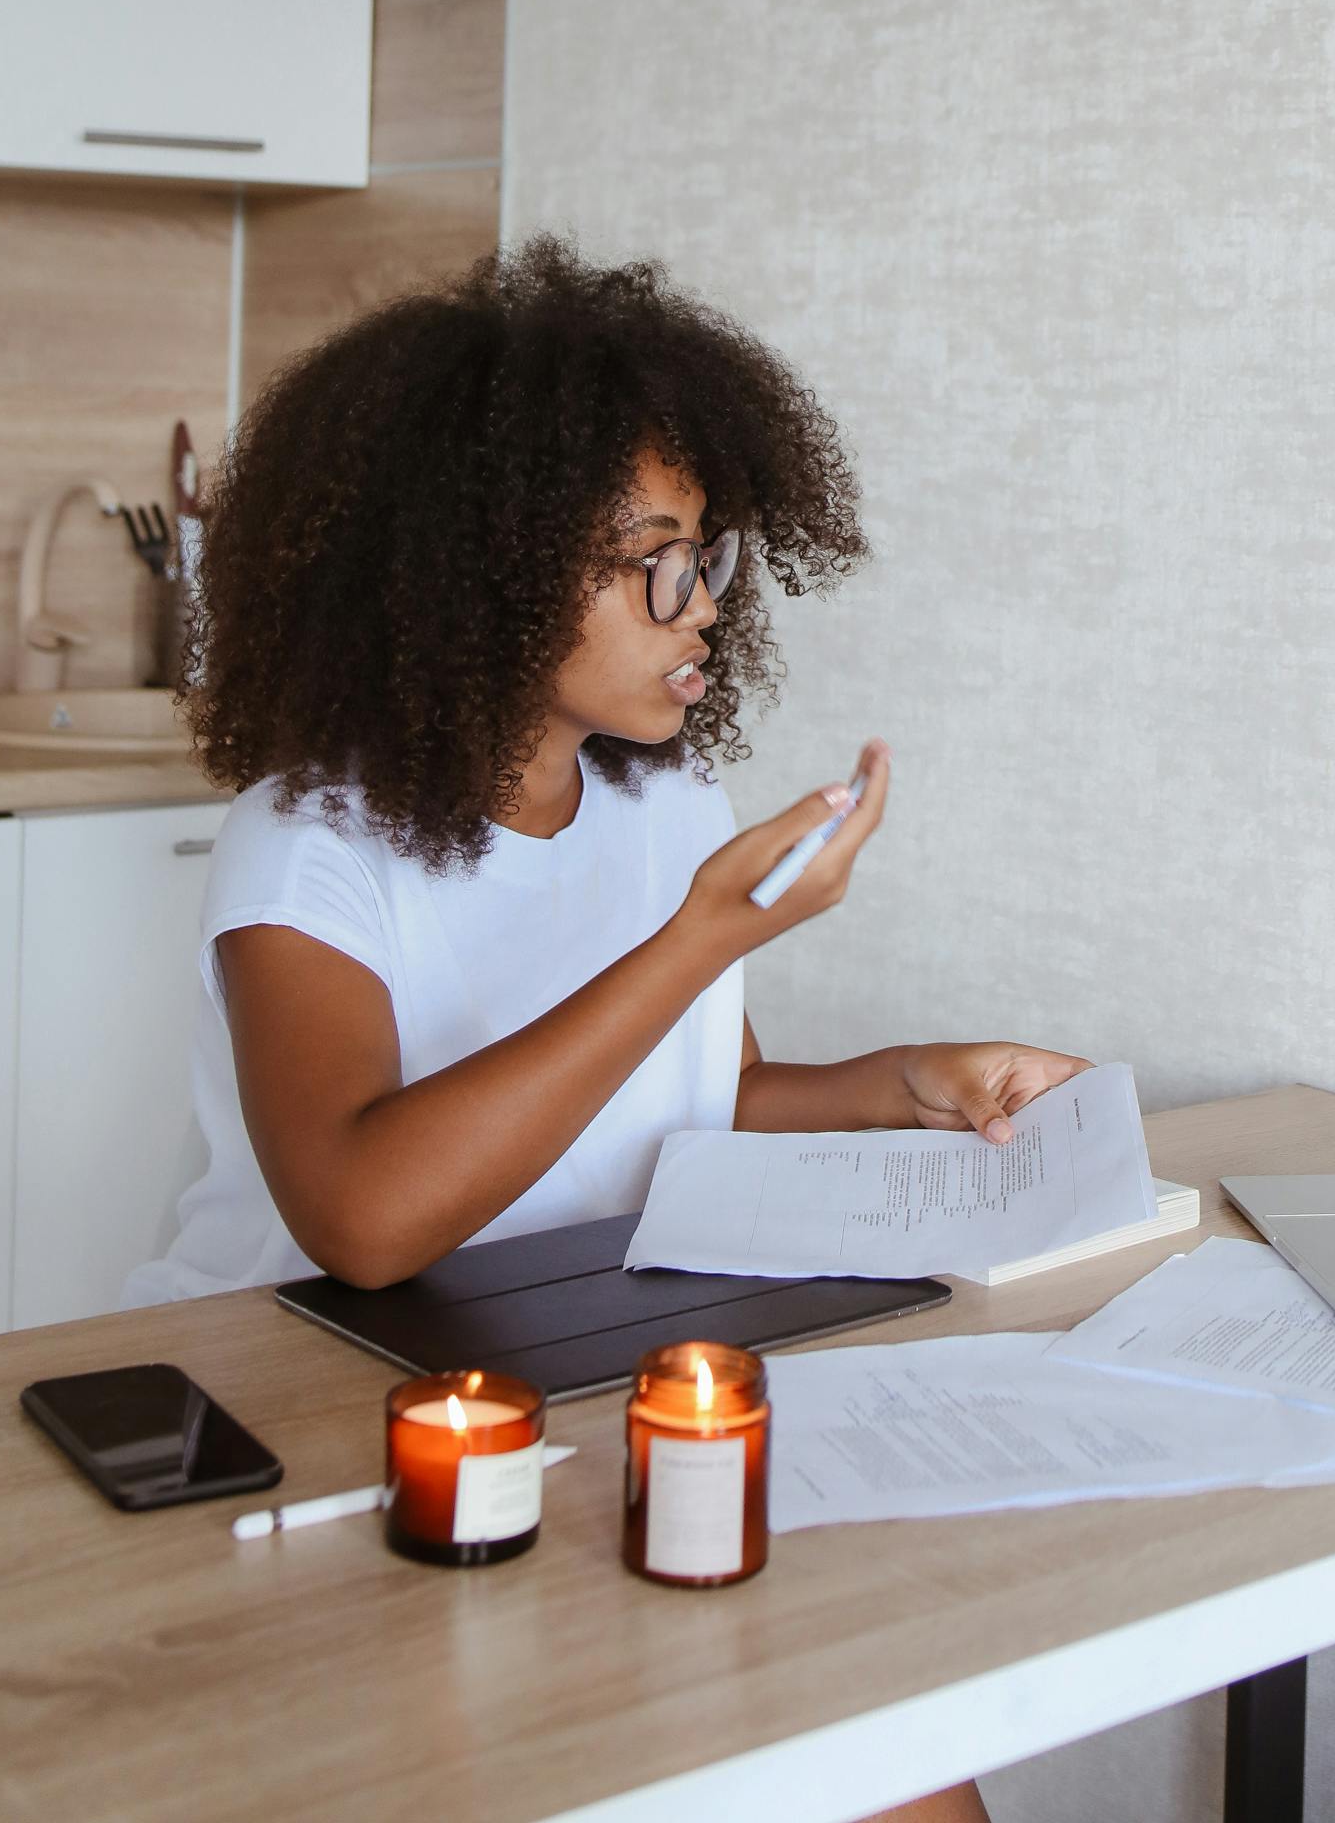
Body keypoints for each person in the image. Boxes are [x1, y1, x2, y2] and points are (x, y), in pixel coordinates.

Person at [126, 238, 1085, 1823]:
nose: (699, 606)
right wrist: (699, 934)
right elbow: (362, 1219)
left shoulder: (662, 804)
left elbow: (707, 1095)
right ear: (487, 571)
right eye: (654, 560)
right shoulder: (309, 849)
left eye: (707, 555)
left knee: (908, 1778)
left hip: (573, 1370)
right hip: (318, 1417)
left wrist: (899, 1084)